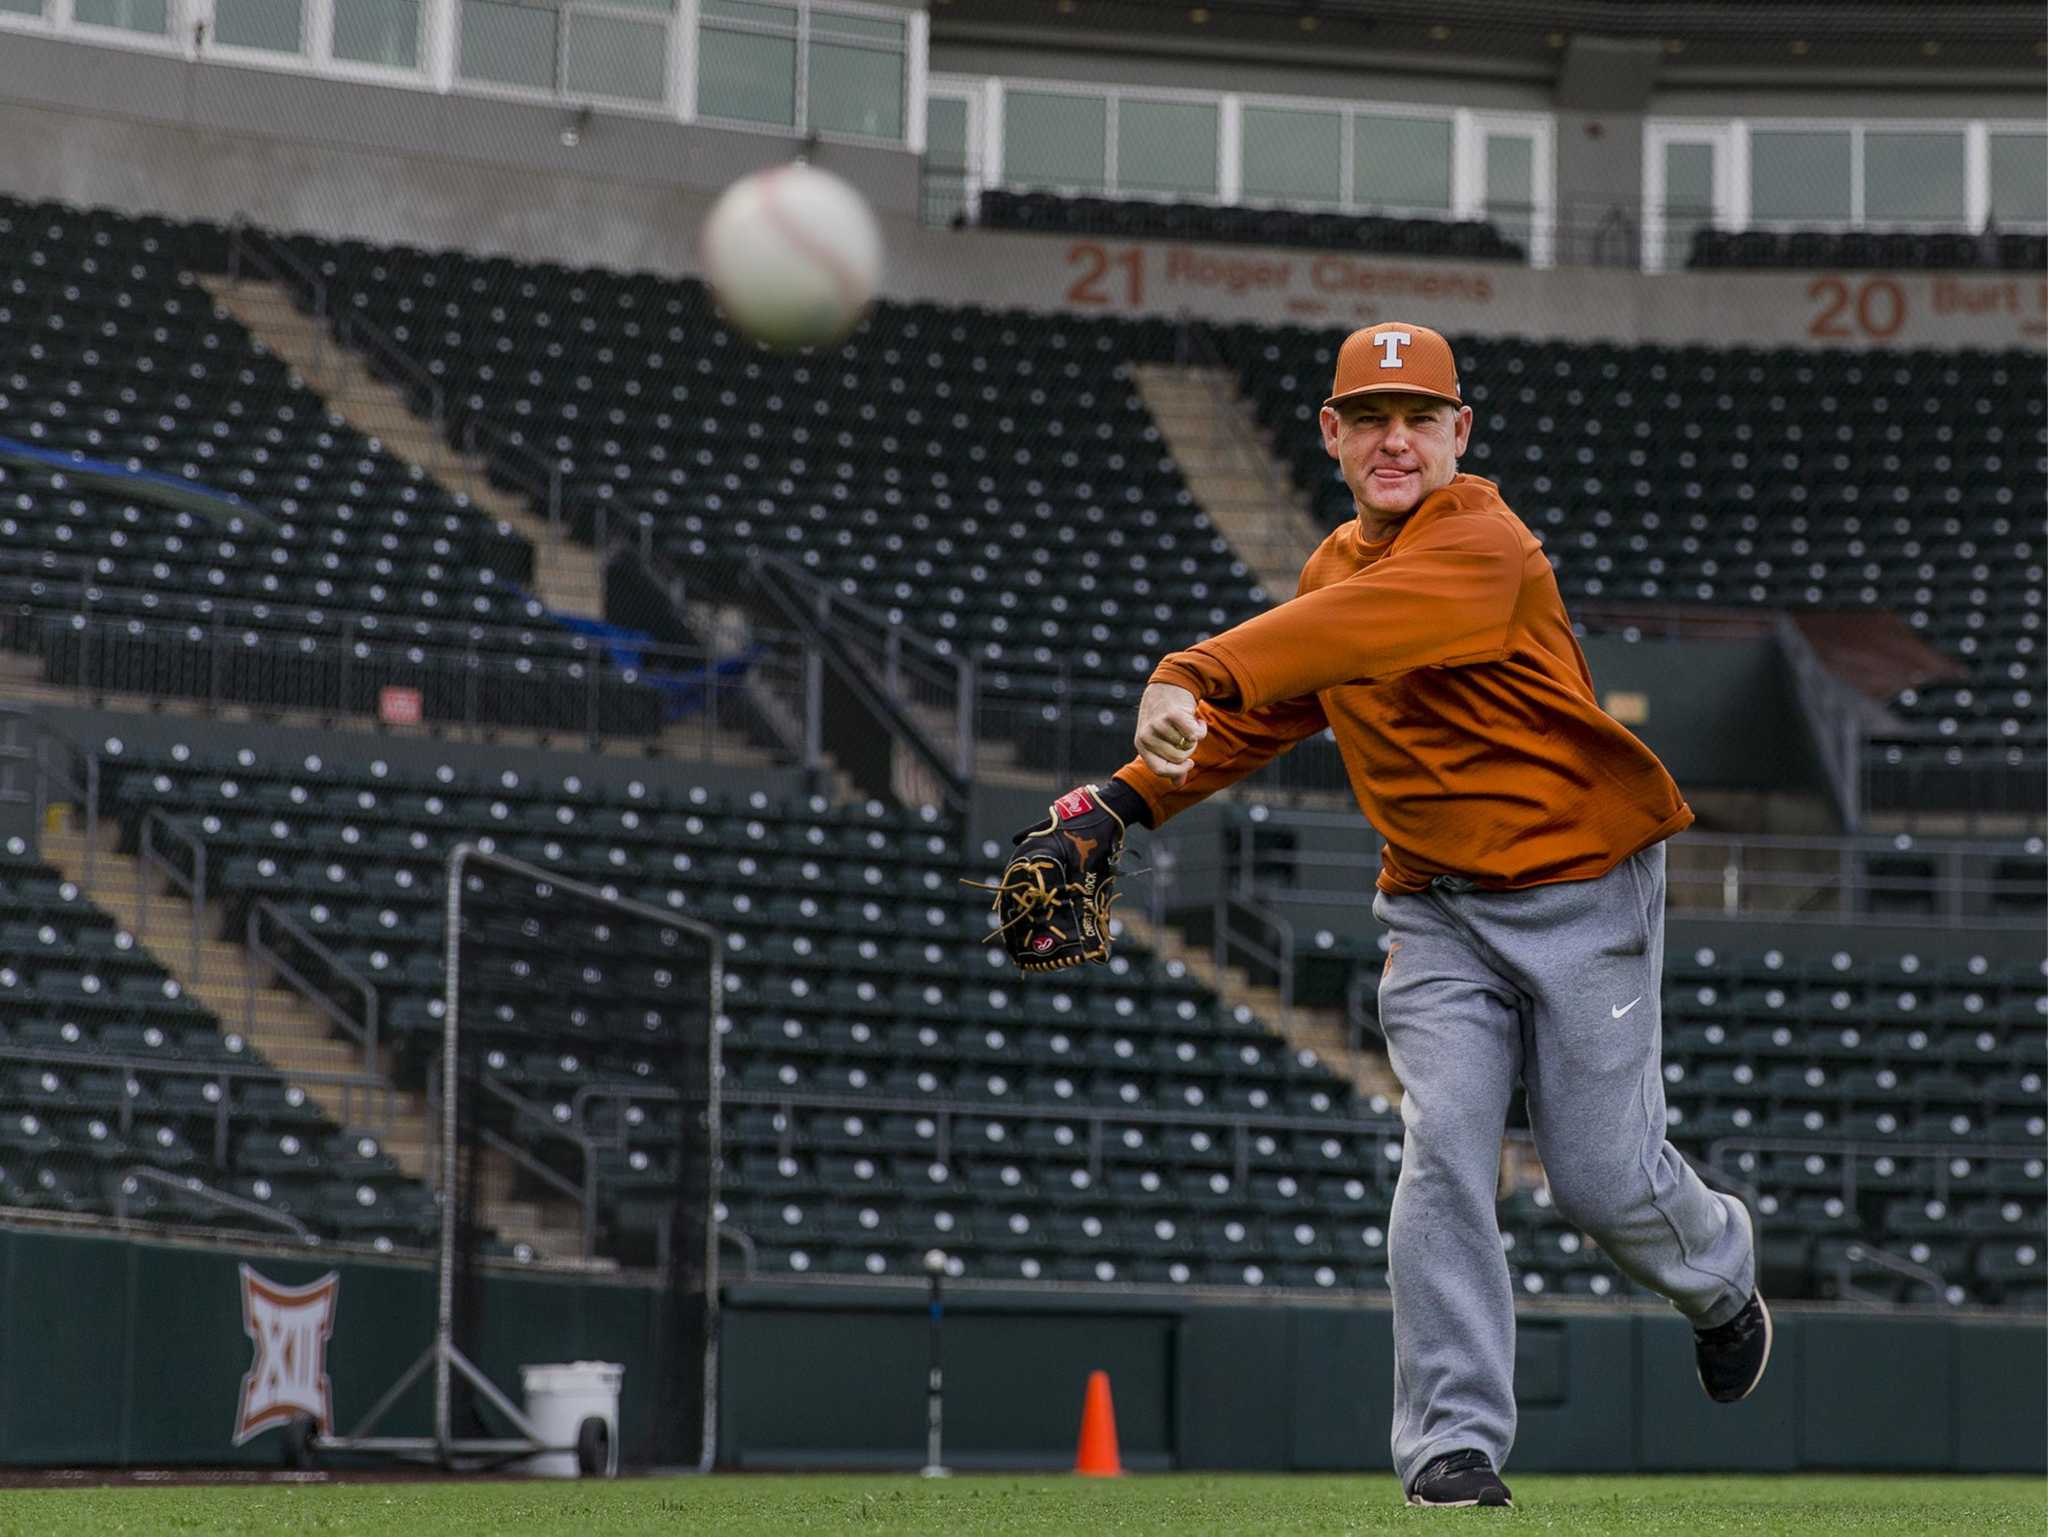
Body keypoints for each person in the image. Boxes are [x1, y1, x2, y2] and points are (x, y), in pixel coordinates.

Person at [1086, 321, 1769, 1510]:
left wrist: (1188, 665)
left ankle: (1717, 1276)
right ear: (1331, 436)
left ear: (1460, 432)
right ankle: (1450, 1444)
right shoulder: (1329, 572)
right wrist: (1116, 803)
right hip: (1437, 911)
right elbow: (1260, 719)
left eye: (1417, 417)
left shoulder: (1483, 544)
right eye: (1367, 417)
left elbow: (1340, 637)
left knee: (1602, 1184)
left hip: (1579, 897)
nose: (1391, 438)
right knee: (1443, 1153)